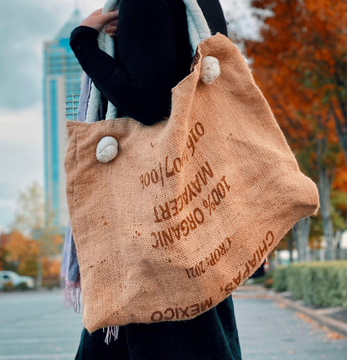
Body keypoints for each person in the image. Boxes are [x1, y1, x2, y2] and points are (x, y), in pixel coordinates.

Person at [70, 0, 242, 358]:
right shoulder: (204, 4)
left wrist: (84, 40)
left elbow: (147, 101)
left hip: (152, 218)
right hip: (194, 206)